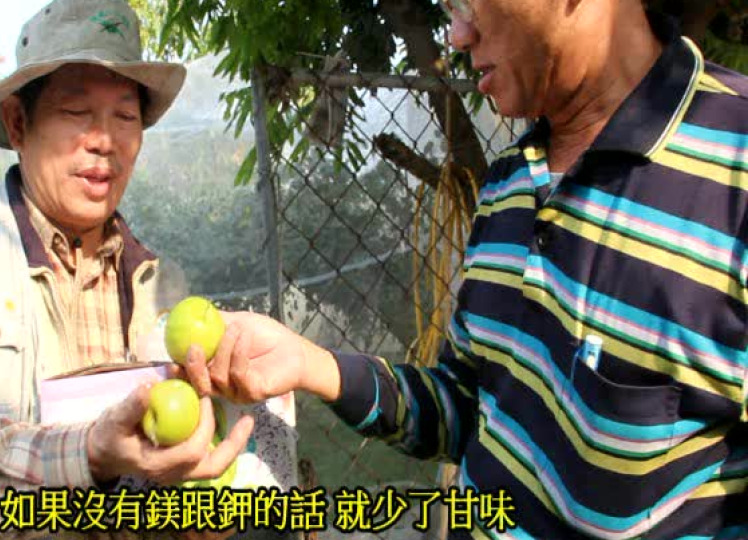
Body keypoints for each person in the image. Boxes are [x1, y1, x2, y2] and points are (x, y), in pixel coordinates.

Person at [183, 0, 748, 538]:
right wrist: (310, 363)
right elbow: (466, 408)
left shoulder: (736, 168)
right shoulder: (510, 181)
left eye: (468, 3)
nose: (456, 35)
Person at [0, 0, 252, 538]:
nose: (105, 140)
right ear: (18, 123)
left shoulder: (157, 283)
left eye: (126, 116)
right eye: (77, 112)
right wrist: (87, 454)